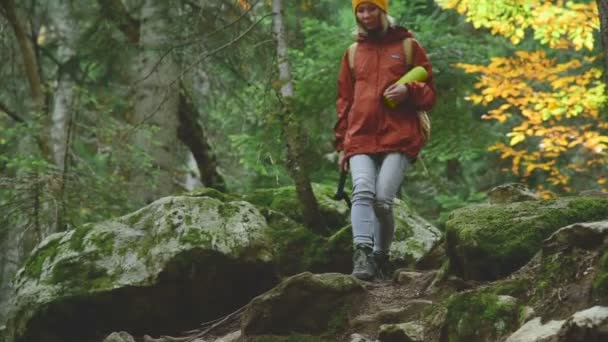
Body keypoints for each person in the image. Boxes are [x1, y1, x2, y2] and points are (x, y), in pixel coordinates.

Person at [334, 0, 436, 281]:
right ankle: (362, 253)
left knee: (382, 201)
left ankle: (381, 255)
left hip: (399, 134)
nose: (366, 15)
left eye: (371, 9)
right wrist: (342, 143)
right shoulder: (353, 53)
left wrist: (408, 89)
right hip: (360, 135)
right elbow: (344, 101)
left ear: (382, 10)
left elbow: (430, 94)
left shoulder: (408, 46)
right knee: (362, 190)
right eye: (360, 10)